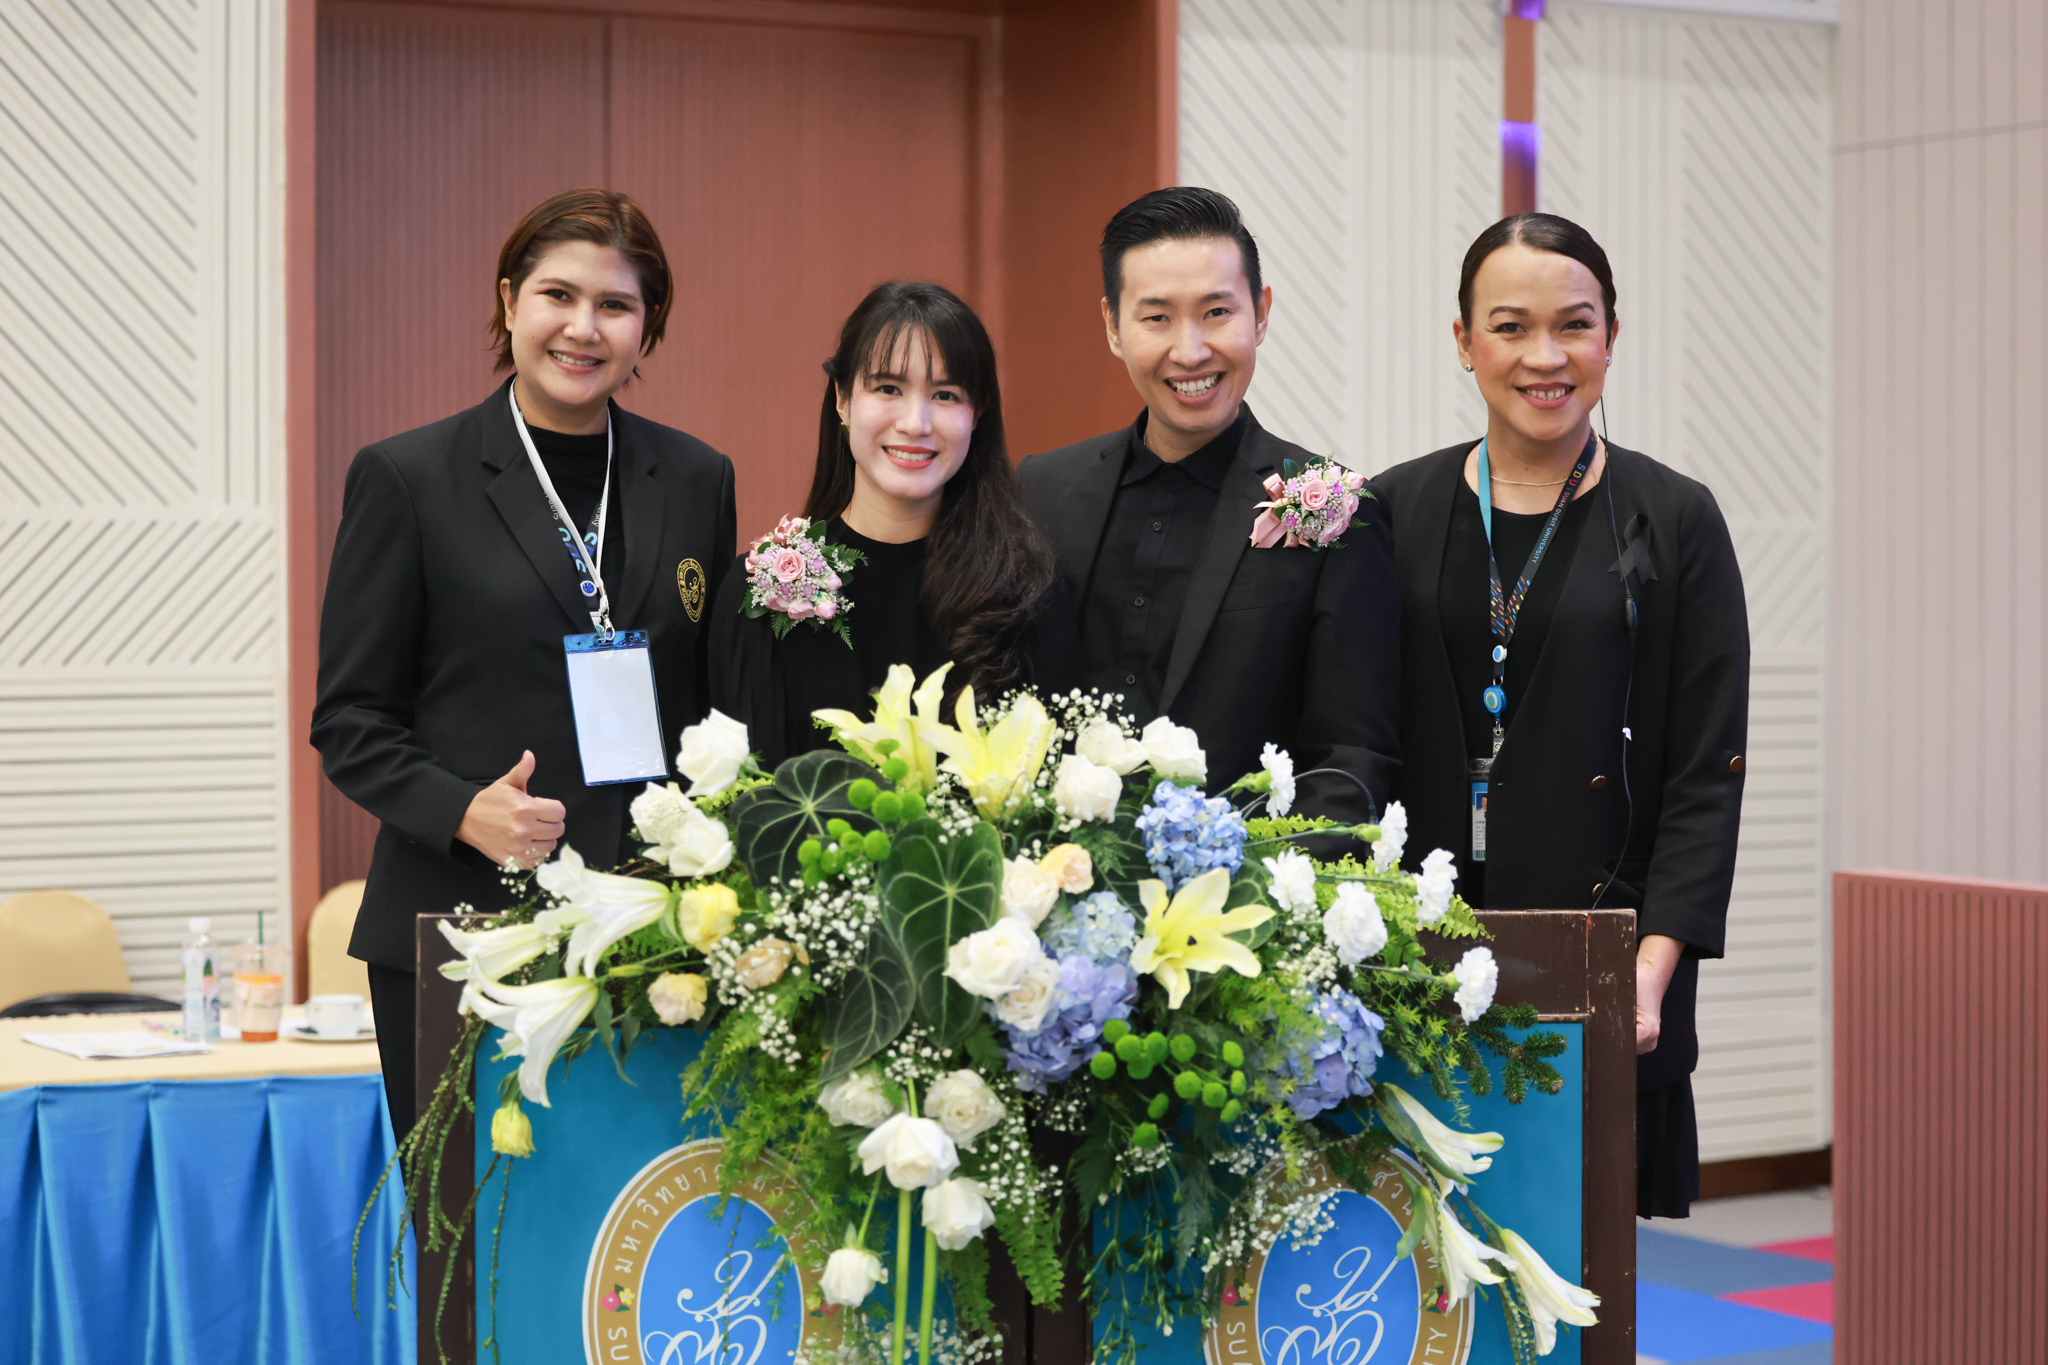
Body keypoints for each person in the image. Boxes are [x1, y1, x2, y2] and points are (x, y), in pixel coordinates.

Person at [313, 188, 737, 1139]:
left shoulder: (697, 478)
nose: (583, 328)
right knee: (478, 1225)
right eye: (558, 295)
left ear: (647, 327)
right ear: (510, 301)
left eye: (615, 305)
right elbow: (349, 720)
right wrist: (463, 808)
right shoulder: (410, 477)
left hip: (652, 935)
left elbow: (710, 709)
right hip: (464, 929)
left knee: (638, 1217)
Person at [1371, 213, 1749, 1218]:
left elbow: (1704, 773)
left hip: (1601, 956)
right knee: (1417, 1262)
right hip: (1416, 956)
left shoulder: (1674, 518)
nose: (1545, 357)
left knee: (1579, 1263)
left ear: (1610, 336)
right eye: (1509, 327)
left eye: (1573, 325)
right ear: (1463, 341)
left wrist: (1651, 968)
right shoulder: (1389, 511)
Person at [1016, 187, 1399, 821]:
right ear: (1113, 326)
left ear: (1261, 313)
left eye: (1217, 312)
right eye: (1156, 318)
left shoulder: (1336, 509)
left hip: (1248, 874)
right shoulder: (1039, 490)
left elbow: (1349, 761)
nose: (1190, 351)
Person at [710, 281, 1074, 760]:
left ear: (977, 413)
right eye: (887, 388)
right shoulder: (761, 592)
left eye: (945, 395)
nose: (915, 423)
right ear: (842, 399)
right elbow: (740, 791)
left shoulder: (1024, 593)